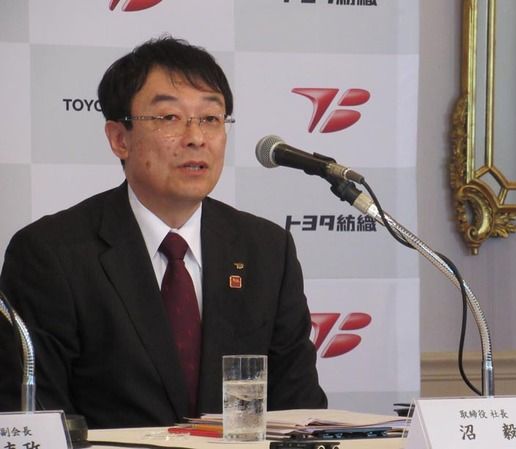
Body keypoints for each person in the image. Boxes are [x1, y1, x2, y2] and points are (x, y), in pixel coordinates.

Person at [0, 36, 327, 428]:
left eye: (211, 118)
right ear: (119, 138)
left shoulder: (267, 250)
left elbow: (300, 409)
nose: (196, 137)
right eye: (170, 118)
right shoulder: (52, 254)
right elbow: (37, 418)